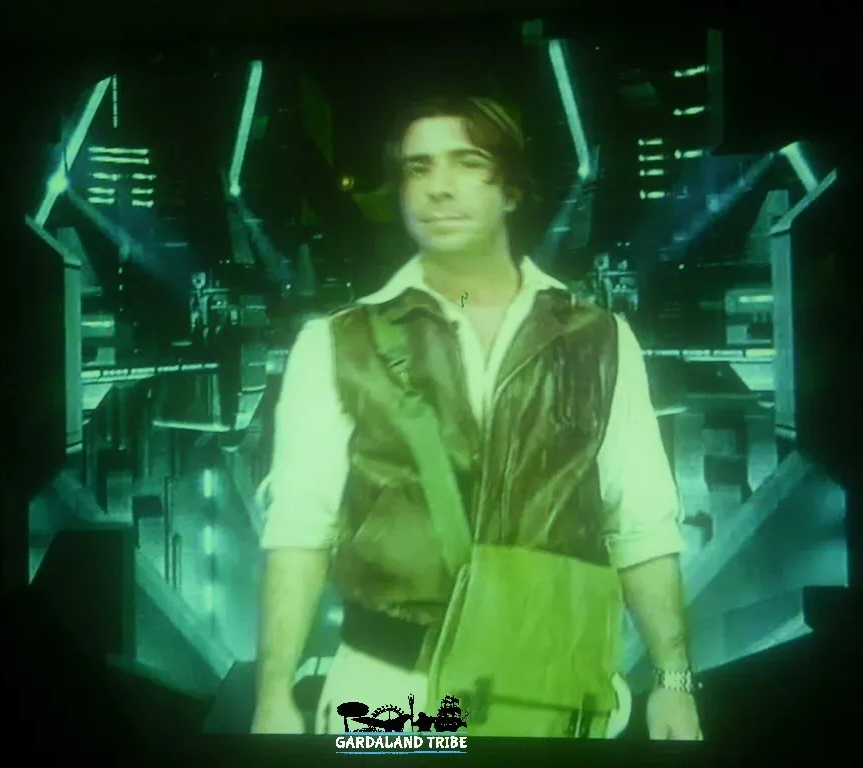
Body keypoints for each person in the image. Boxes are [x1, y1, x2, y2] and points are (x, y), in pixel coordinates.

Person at [250, 94, 703, 740]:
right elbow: (299, 529)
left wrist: (674, 681)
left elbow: (642, 522)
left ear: (511, 189)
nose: (438, 187)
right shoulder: (334, 343)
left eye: (467, 163)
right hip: (390, 695)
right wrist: (272, 696)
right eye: (418, 168)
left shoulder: (599, 339)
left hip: (558, 688)